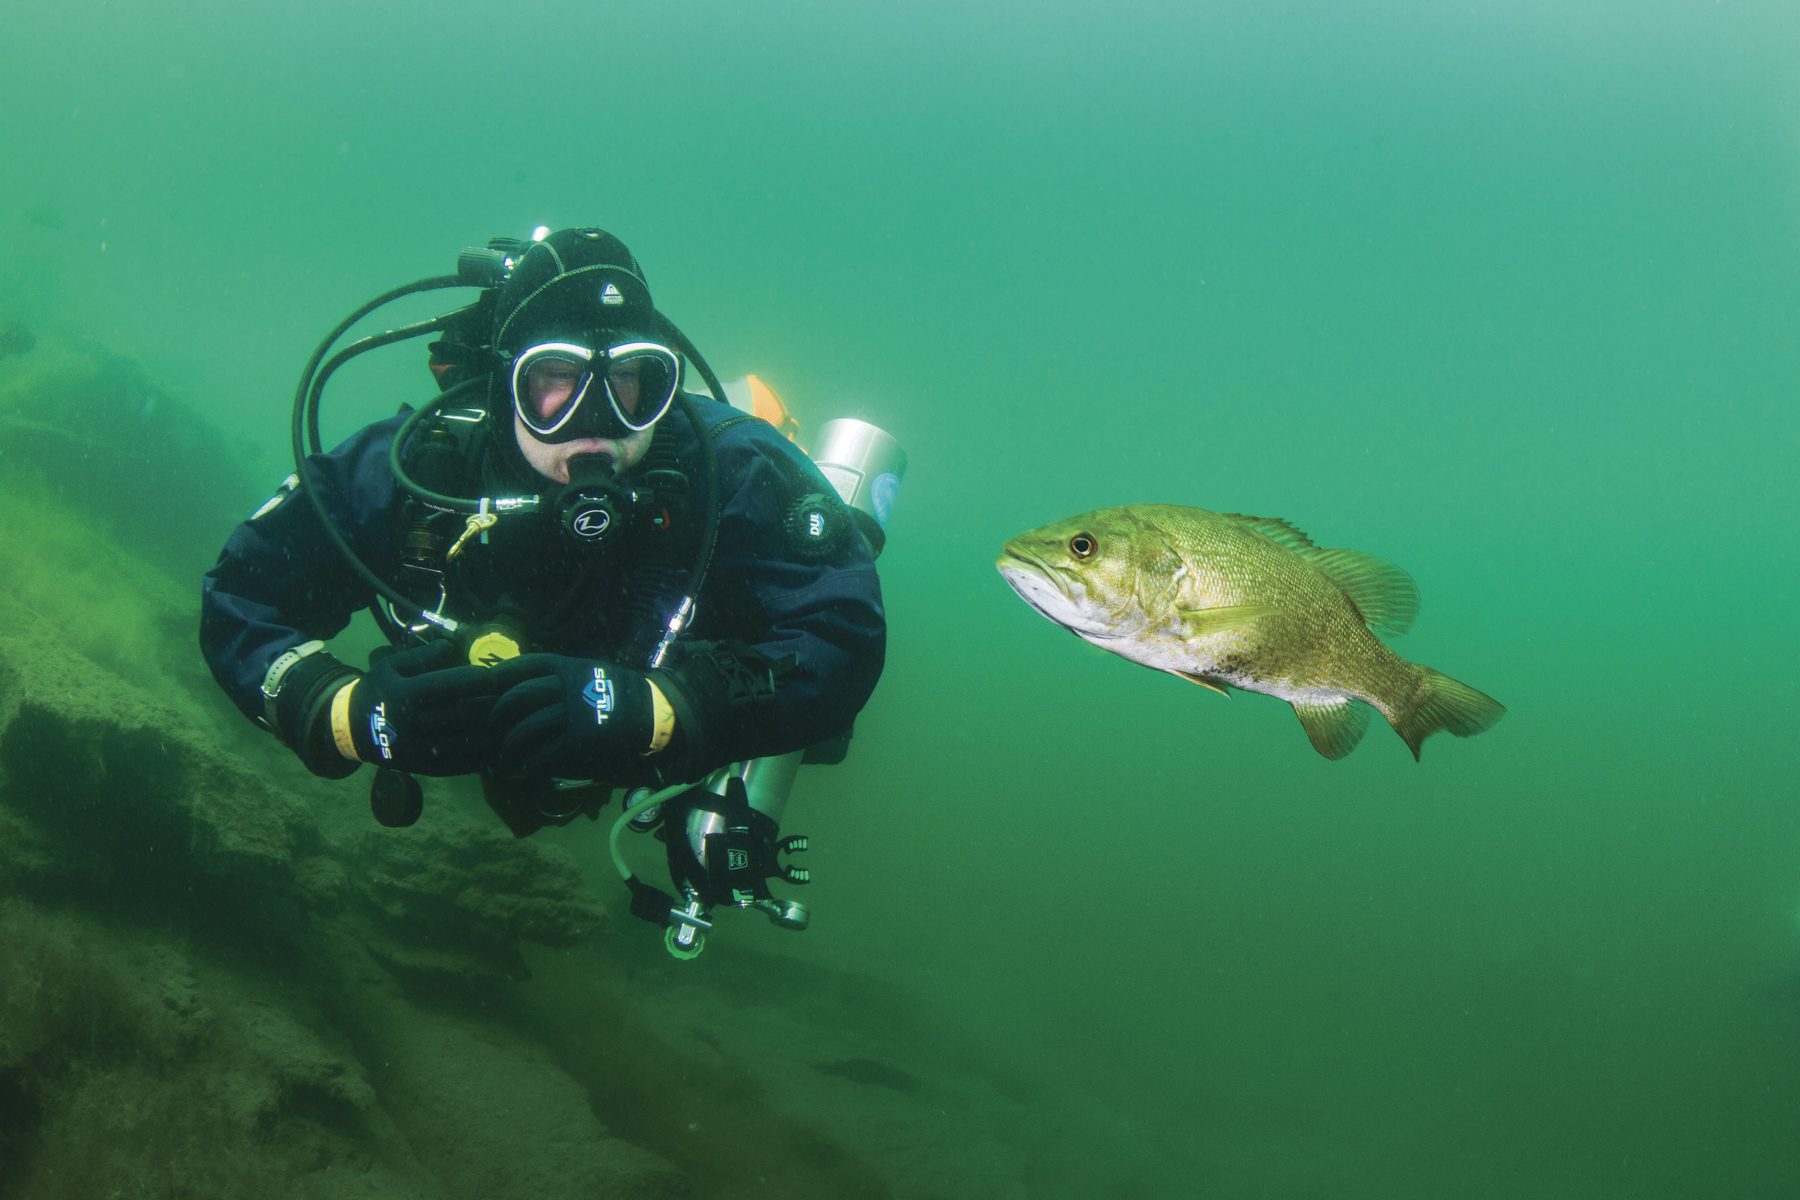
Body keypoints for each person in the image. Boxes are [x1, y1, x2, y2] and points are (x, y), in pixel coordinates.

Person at [200, 226, 887, 844]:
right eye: (554, 378)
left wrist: (669, 709)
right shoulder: (412, 469)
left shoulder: (732, 467)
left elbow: (843, 627)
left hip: (664, 722)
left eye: (628, 378)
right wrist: (342, 711)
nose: (600, 417)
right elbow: (240, 595)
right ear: (503, 385)